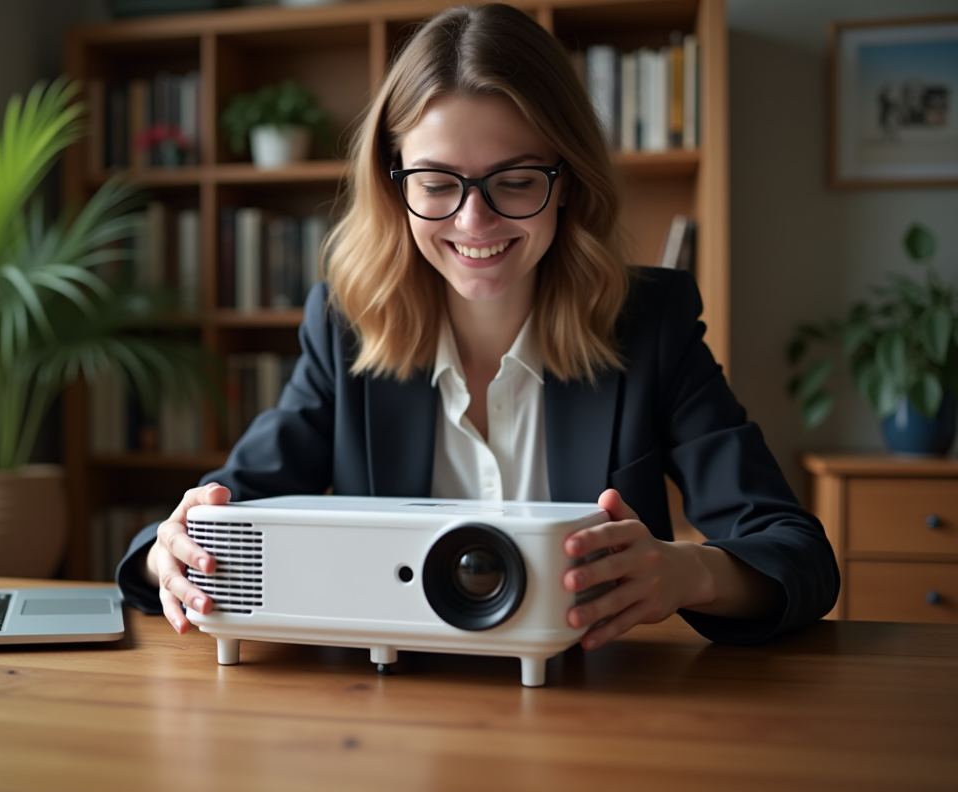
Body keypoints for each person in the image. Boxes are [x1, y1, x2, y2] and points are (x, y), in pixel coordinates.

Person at [117, 3, 839, 652]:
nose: (473, 221)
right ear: (394, 184)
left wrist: (688, 572)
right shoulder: (343, 328)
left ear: (569, 181)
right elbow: (214, 517)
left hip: (595, 708)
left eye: (516, 181)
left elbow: (797, 554)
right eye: (436, 184)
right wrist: (168, 554)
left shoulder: (650, 324)